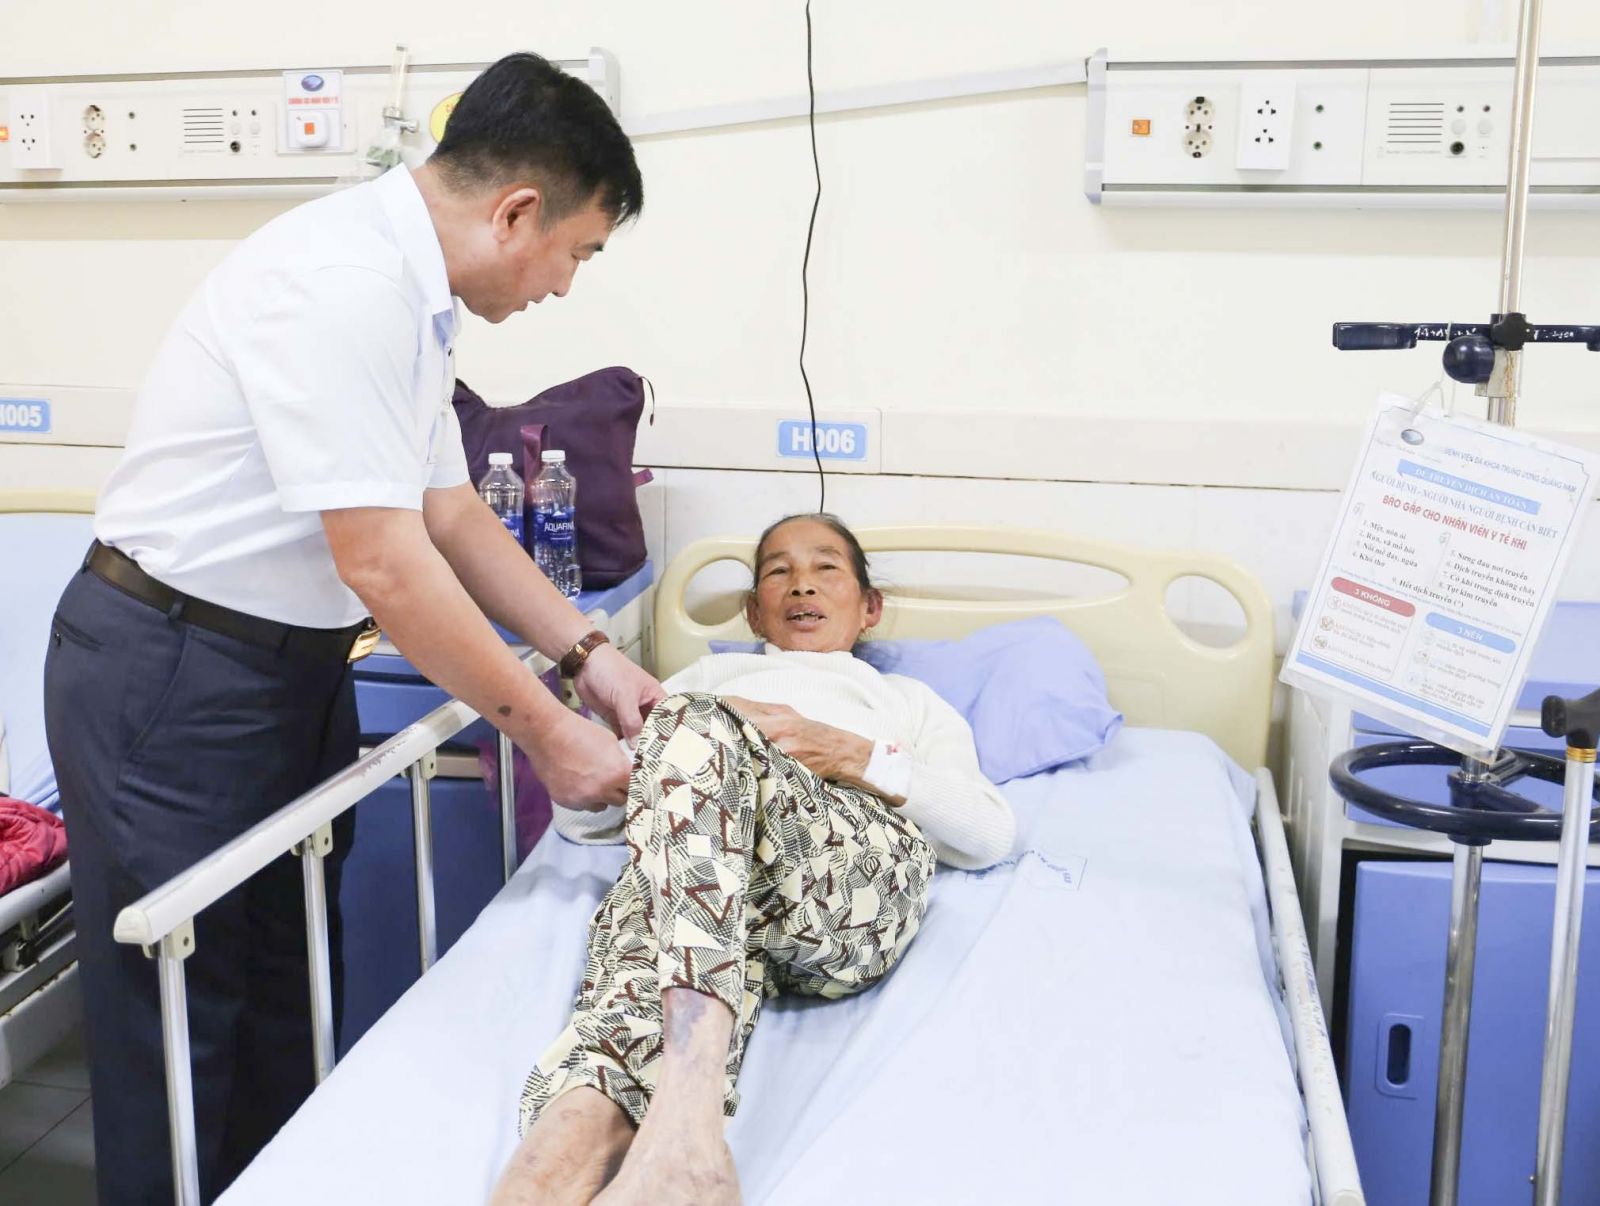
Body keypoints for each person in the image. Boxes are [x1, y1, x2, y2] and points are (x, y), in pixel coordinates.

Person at [42, 52, 664, 1205]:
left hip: (283, 671)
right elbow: (383, 561)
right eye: (577, 251)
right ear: (517, 212)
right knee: (179, 1030)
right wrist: (547, 736)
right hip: (171, 673)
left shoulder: (414, 300)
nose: (566, 285)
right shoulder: (345, 282)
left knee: (287, 995)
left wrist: (590, 656)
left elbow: (450, 513)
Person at [490, 514, 1016, 1206]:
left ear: (869, 606)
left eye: (826, 568)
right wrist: (678, 762)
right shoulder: (703, 680)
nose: (802, 585)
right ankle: (550, 1170)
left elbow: (987, 832)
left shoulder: (906, 702)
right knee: (646, 932)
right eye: (778, 571)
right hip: (715, 914)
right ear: (753, 611)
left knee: (695, 735)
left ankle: (688, 1125)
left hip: (847, 891)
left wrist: (849, 753)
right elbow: (583, 821)